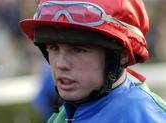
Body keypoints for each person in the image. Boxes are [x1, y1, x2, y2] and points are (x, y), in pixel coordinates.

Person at [20, 0, 166, 122]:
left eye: (78, 50)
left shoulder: (143, 116)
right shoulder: (62, 115)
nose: (61, 64)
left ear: (121, 54)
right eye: (53, 48)